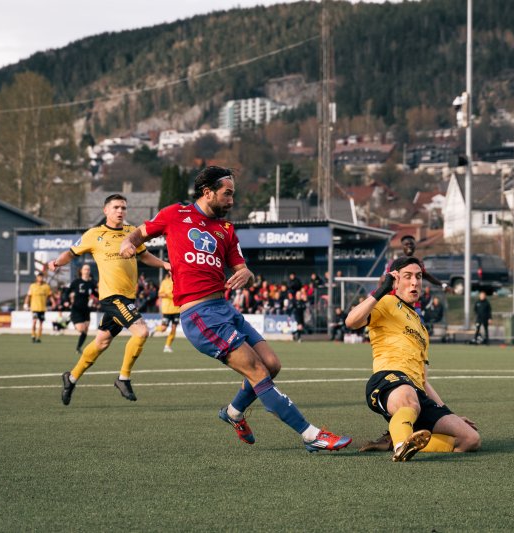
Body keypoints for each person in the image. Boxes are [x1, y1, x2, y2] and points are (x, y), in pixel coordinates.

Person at [118, 166, 351, 453]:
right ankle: (310, 434)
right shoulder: (175, 214)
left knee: (273, 365)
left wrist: (246, 274)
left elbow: (242, 268)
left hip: (224, 309)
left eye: (233, 194)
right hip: (200, 315)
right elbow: (135, 236)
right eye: (227, 194)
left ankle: (233, 412)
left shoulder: (226, 229)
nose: (231, 200)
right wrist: (127, 245)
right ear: (207, 192)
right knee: (257, 371)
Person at [345, 256, 480, 461]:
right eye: (407, 276)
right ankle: (401, 446)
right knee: (409, 399)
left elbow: (423, 380)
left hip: (418, 392)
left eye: (418, 277)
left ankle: (400, 440)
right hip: (388, 379)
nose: (415, 282)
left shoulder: (421, 327)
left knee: (470, 439)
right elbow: (351, 321)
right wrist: (381, 291)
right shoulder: (386, 302)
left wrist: (446, 412)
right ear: (396, 280)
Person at [47, 193, 171, 405]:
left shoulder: (132, 233)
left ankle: (72, 377)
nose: (120, 211)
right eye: (116, 207)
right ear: (106, 210)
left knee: (102, 342)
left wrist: (165, 264)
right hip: (112, 296)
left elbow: (144, 256)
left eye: (123, 207)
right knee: (141, 331)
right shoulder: (94, 235)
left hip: (127, 296)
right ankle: (123, 378)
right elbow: (71, 252)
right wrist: (57, 262)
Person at [67, 264, 98, 354]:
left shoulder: (92, 283)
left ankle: (78, 348)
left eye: (88, 269)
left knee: (85, 331)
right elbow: (66, 292)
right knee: (81, 328)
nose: (87, 271)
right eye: (85, 269)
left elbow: (96, 294)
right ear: (81, 271)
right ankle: (70, 319)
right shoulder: (76, 282)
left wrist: (101, 297)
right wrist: (66, 300)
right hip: (76, 308)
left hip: (86, 309)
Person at [24, 272, 56, 344]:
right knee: (34, 322)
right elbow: (28, 296)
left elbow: (50, 296)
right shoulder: (32, 286)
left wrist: (53, 302)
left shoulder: (46, 286)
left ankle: (38, 337)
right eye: (39, 277)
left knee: (41, 323)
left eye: (42, 277)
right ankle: (33, 336)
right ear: (37, 278)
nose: (40, 278)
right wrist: (26, 303)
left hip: (42, 308)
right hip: (34, 308)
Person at [157, 270, 180, 353]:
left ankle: (167, 346)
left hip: (177, 309)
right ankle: (154, 329)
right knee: (163, 328)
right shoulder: (165, 282)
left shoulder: (179, 282)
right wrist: (168, 295)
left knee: (174, 329)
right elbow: (160, 294)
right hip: (167, 309)